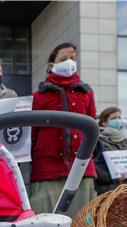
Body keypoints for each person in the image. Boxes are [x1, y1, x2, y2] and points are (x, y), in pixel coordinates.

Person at [30, 42, 98, 216]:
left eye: (72, 58)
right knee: (45, 226)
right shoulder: (37, 97)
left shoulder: (87, 93)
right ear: (51, 65)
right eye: (63, 59)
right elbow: (32, 135)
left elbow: (93, 128)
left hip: (82, 169)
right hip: (47, 171)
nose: (69, 62)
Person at [92, 106, 127, 195]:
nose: (118, 120)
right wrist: (113, 177)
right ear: (104, 122)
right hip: (105, 192)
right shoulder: (97, 140)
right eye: (114, 118)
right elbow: (92, 166)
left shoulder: (126, 142)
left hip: (125, 193)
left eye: (119, 117)